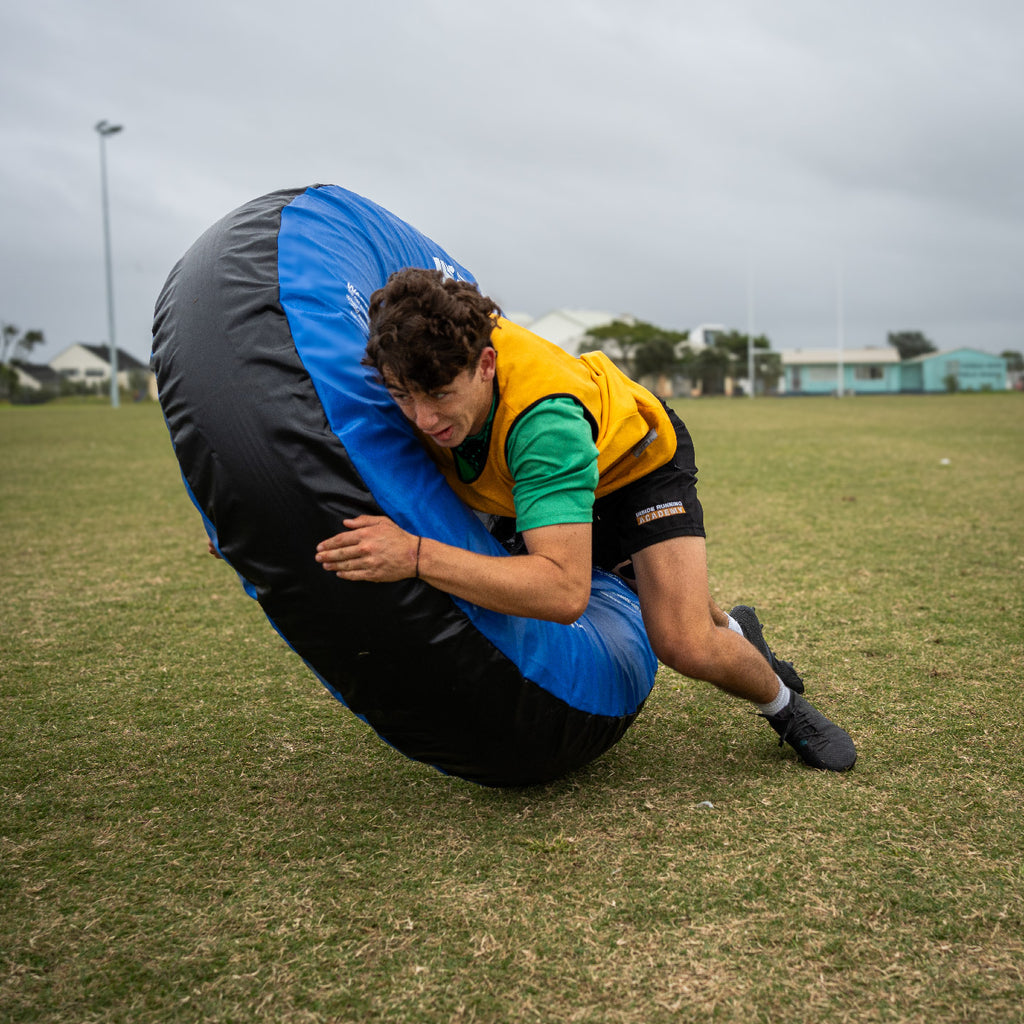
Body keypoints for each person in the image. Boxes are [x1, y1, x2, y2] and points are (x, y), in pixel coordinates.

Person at [315, 268, 856, 771]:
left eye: (439, 395)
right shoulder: (418, 364)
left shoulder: (544, 421)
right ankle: (738, 628)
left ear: (485, 365)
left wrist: (415, 556)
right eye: (402, 396)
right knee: (651, 584)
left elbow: (562, 592)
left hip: (633, 463)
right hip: (528, 477)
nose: (423, 418)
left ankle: (784, 707)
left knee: (683, 639)